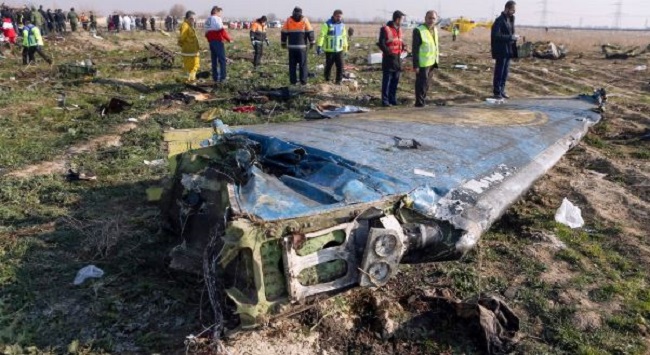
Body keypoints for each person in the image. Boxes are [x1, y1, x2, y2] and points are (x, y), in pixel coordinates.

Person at [377, 10, 407, 107]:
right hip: (389, 59)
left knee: (395, 81)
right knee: (387, 81)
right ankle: (385, 101)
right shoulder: (385, 29)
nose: (403, 21)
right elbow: (381, 43)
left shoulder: (400, 30)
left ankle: (392, 99)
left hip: (398, 59)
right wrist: (388, 52)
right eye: (402, 19)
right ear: (397, 19)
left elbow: (399, 41)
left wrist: (404, 46)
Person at [491, 1, 519, 99]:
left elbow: (510, 33)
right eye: (513, 10)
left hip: (508, 50)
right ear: (507, 8)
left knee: (505, 72)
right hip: (501, 50)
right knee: (499, 71)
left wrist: (514, 38)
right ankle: (497, 92)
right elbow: (496, 35)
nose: (514, 12)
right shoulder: (499, 20)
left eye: (514, 10)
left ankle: (502, 90)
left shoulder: (510, 19)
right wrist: (510, 37)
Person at [412, 10, 439, 107]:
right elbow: (415, 49)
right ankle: (419, 103)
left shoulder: (435, 30)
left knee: (427, 84)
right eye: (429, 18)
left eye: (433, 18)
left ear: (436, 19)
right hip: (422, 63)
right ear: (425, 18)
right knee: (421, 85)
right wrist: (416, 65)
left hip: (431, 61)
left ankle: (422, 101)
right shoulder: (418, 30)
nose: (431, 20)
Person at [281, 7, 315, 85]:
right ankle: (303, 81)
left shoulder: (288, 20)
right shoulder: (305, 20)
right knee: (303, 65)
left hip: (292, 47)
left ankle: (293, 82)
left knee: (292, 66)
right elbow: (310, 32)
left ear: (293, 12)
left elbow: (284, 32)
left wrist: (283, 43)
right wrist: (312, 42)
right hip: (302, 48)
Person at [317, 9, 348, 85]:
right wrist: (319, 46)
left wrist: (345, 49)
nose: (339, 18)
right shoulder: (327, 24)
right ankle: (327, 80)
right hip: (329, 50)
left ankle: (338, 81)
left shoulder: (342, 25)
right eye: (338, 16)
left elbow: (344, 37)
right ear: (334, 16)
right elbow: (322, 36)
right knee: (328, 66)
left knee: (340, 66)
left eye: (340, 17)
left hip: (339, 50)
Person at [205, 6, 231, 83]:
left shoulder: (207, 20)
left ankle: (215, 77)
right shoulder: (217, 18)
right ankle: (223, 78)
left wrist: (210, 40)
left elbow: (206, 33)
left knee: (214, 60)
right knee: (222, 60)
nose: (221, 15)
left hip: (211, 42)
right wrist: (228, 39)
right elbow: (221, 30)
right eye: (220, 13)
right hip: (217, 41)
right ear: (216, 12)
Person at [178, 11, 200, 83]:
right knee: (189, 67)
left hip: (193, 51)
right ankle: (187, 81)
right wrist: (182, 44)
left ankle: (191, 79)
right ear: (188, 18)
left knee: (195, 65)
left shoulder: (190, 26)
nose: (193, 20)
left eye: (194, 19)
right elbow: (182, 37)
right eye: (192, 18)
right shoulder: (185, 25)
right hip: (188, 52)